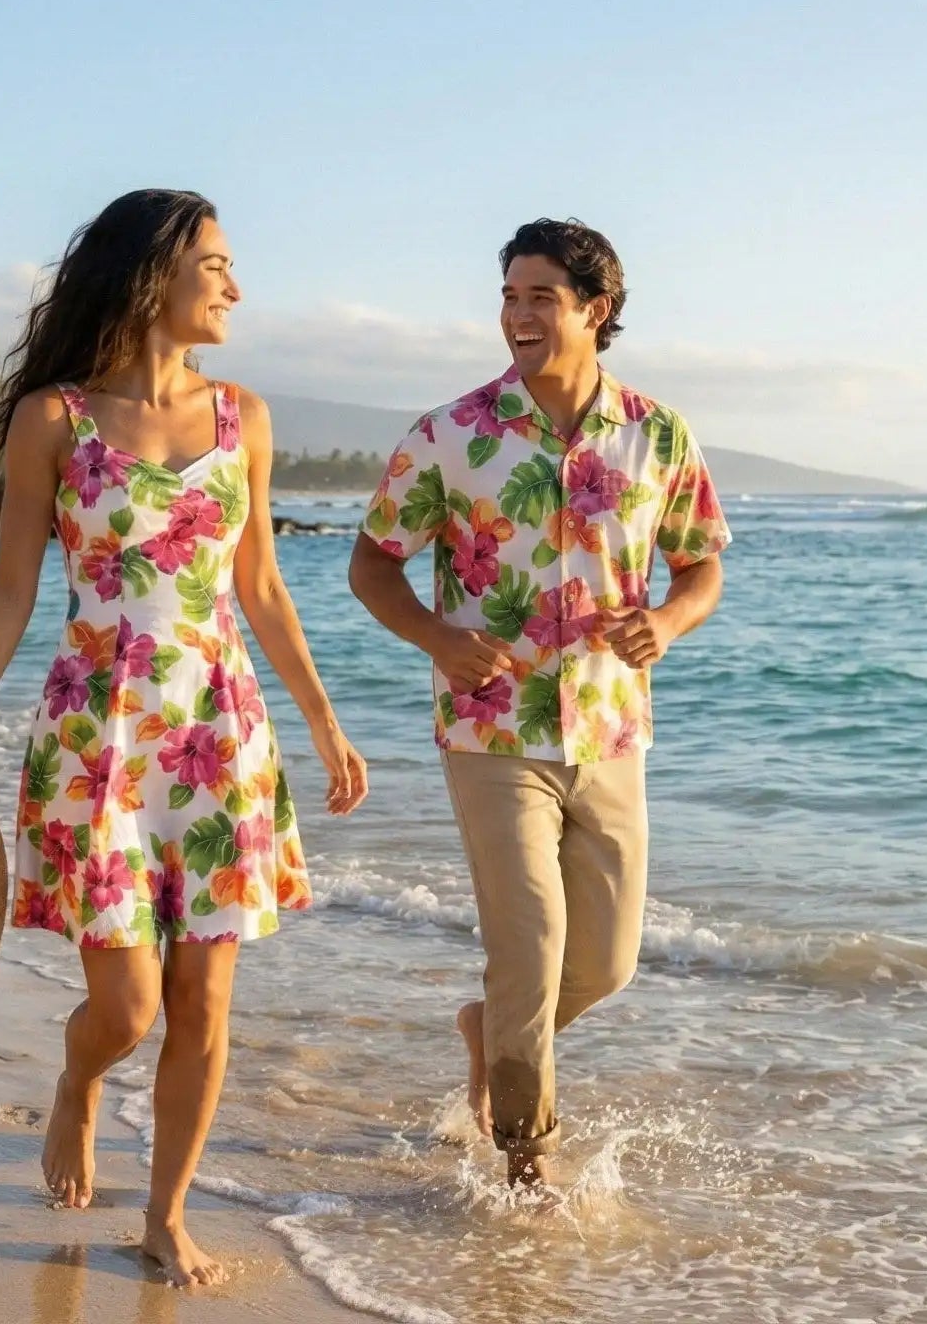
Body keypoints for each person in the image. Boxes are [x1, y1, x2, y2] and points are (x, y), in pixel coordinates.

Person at [0, 189, 368, 1285]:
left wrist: (323, 723)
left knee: (205, 999)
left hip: (219, 732)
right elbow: (12, 583)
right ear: (152, 273)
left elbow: (258, 587)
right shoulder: (54, 422)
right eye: (216, 264)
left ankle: (164, 1215)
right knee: (127, 1005)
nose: (235, 286)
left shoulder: (243, 417)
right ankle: (77, 1081)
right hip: (95, 735)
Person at [349, 218, 730, 1186]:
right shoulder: (450, 435)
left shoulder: (658, 435)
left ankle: (490, 1035)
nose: (517, 315)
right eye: (509, 296)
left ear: (593, 311)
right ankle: (526, 1176)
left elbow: (701, 565)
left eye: (539, 297)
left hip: (610, 730)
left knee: (603, 964)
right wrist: (435, 637)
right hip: (490, 731)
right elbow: (370, 565)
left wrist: (670, 623)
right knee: (530, 946)